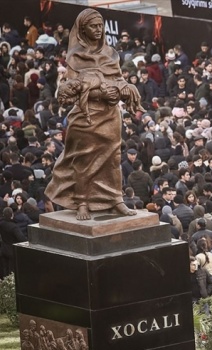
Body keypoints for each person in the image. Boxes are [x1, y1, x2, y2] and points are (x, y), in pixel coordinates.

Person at [45, 9, 143, 220]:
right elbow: (71, 89)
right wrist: (100, 91)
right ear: (82, 29)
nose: (98, 30)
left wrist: (122, 89)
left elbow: (118, 79)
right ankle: (82, 201)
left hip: (110, 114)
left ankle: (116, 199)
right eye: (93, 26)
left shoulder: (110, 53)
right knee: (84, 160)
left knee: (113, 157)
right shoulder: (75, 56)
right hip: (86, 116)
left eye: (100, 26)